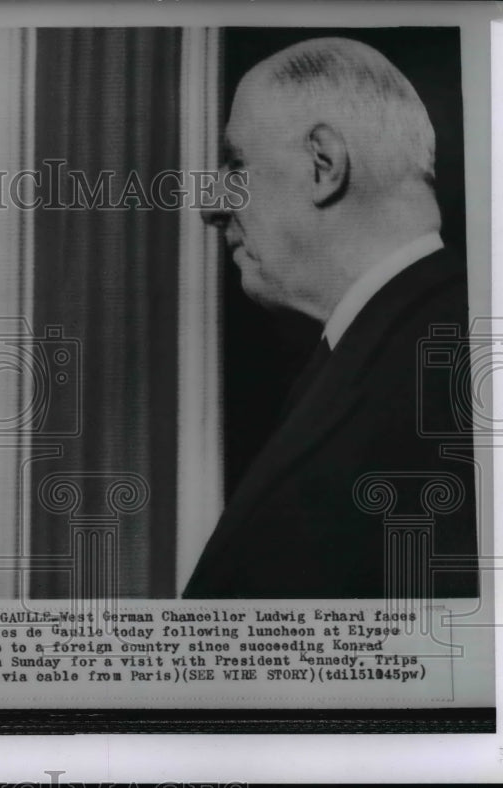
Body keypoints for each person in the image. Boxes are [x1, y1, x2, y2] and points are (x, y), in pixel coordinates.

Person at [185, 37, 478, 598]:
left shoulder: (443, 378)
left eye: (236, 164)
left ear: (324, 164)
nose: (211, 205)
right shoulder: (423, 353)